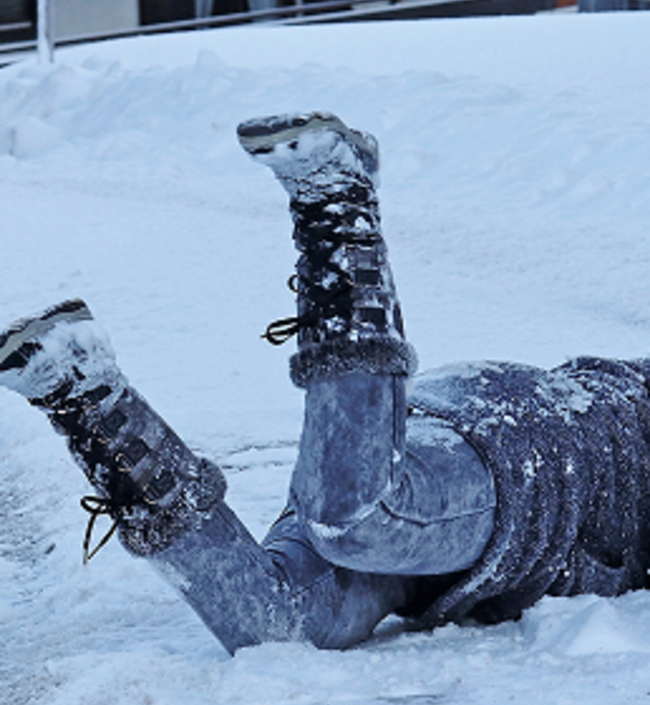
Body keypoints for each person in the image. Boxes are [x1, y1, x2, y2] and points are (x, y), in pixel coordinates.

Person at [2, 111, 650, 656]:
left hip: (461, 567)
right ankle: (339, 206)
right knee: (357, 520)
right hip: (533, 455)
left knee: (272, 628)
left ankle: (83, 387)